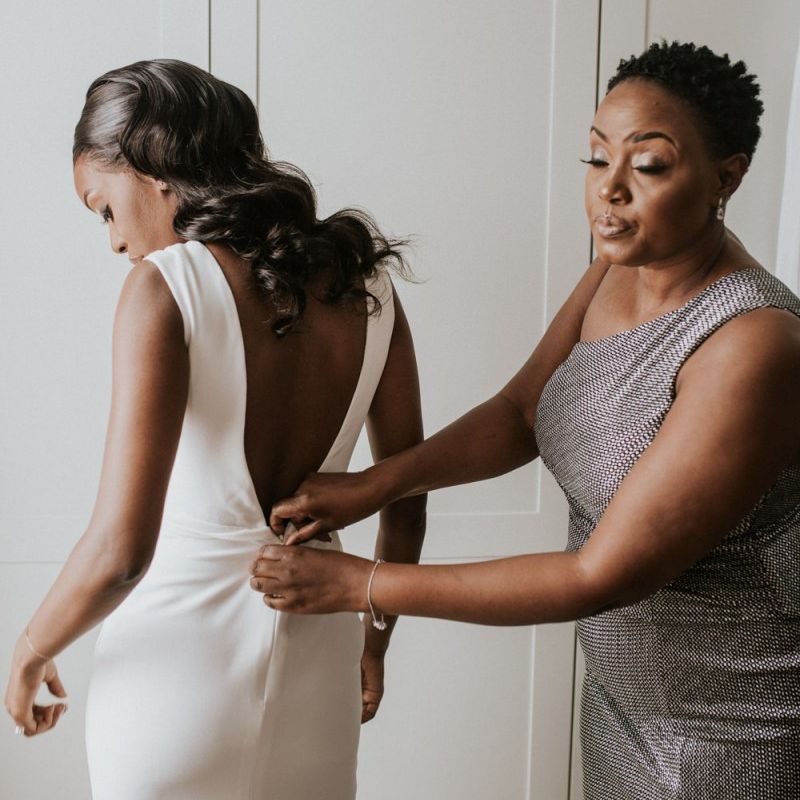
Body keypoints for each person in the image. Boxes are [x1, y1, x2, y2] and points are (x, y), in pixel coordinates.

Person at [252, 42, 800, 799]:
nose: (609, 190)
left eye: (648, 166)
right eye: (596, 158)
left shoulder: (754, 345)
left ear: (726, 177)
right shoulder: (616, 268)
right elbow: (522, 412)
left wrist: (364, 584)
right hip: (622, 705)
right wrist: (376, 484)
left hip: (735, 730)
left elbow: (597, 575)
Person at [4, 59, 426, 800]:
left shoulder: (164, 288)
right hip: (319, 671)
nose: (114, 242)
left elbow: (120, 551)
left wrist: (31, 650)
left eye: (105, 209)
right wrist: (376, 642)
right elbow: (407, 495)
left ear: (152, 170)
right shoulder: (368, 288)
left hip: (173, 684)